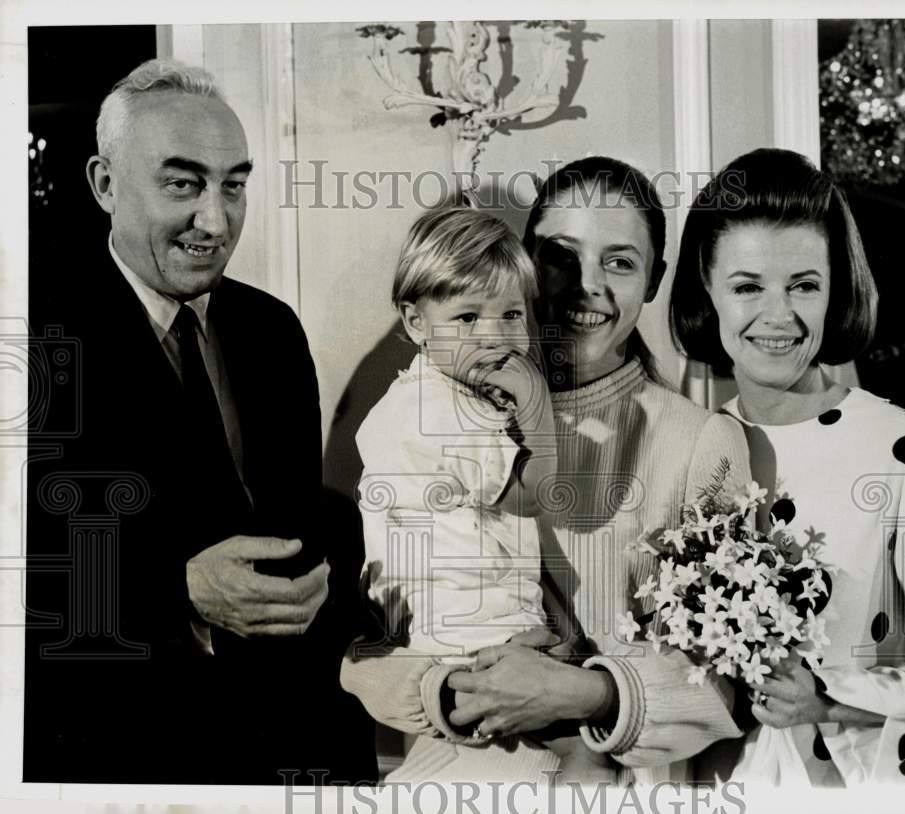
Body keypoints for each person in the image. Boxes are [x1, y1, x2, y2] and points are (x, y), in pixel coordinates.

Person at [342, 156, 753, 785]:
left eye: (619, 262)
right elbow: (370, 632)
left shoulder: (699, 440)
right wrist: (450, 688)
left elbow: (723, 682)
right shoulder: (440, 413)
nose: (586, 286)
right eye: (561, 257)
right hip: (459, 772)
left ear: (653, 279)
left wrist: (585, 695)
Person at [25, 58, 375, 785]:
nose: (215, 221)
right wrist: (175, 590)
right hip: (115, 758)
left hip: (290, 751)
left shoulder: (273, 329)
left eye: (233, 185)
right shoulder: (30, 335)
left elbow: (296, 524)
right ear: (104, 183)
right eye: (183, 184)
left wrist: (327, 585)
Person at [669, 147, 905, 786]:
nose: (778, 317)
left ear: (835, 288)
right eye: (748, 286)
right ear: (708, 290)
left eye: (803, 285)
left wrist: (829, 698)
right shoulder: (691, 443)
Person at [356, 206, 615, 783]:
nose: (494, 337)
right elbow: (534, 496)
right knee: (580, 755)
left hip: (442, 622)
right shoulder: (441, 412)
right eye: (467, 317)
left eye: (511, 315)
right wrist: (538, 406)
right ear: (416, 321)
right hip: (473, 629)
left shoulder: (426, 396)